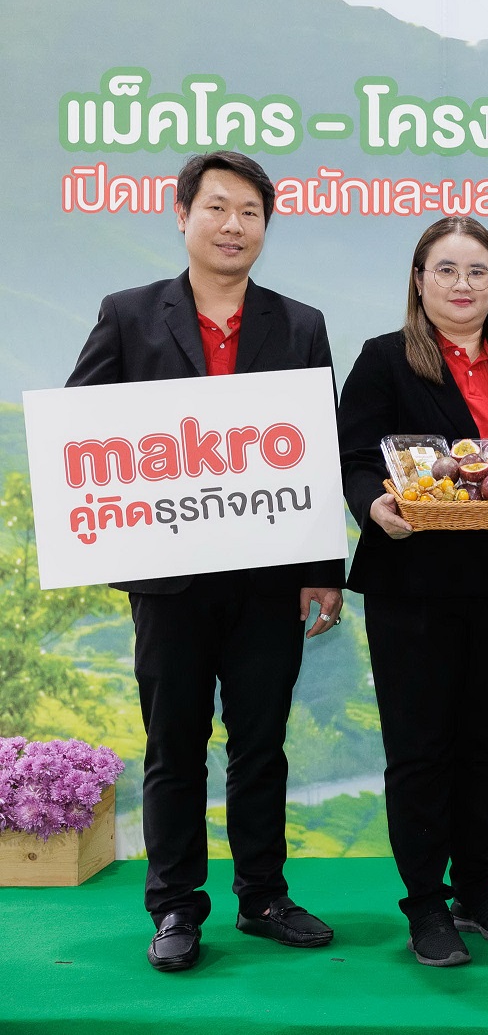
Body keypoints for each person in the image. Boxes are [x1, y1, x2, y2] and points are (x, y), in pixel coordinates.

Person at [65, 151, 345, 972]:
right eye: (217, 207)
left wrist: (323, 566)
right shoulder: (128, 314)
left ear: (266, 224)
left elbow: (317, 454)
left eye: (250, 211)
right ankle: (177, 907)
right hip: (169, 579)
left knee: (262, 743)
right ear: (181, 213)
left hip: (268, 577)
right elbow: (83, 431)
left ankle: (263, 894)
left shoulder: (298, 323)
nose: (233, 225)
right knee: (173, 745)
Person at [337, 215, 488, 967]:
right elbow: (354, 458)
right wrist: (375, 505)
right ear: (419, 279)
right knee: (419, 748)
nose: (462, 285)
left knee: (482, 745)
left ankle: (478, 885)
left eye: (478, 271)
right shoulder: (382, 361)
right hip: (414, 584)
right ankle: (425, 903)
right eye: (446, 270)